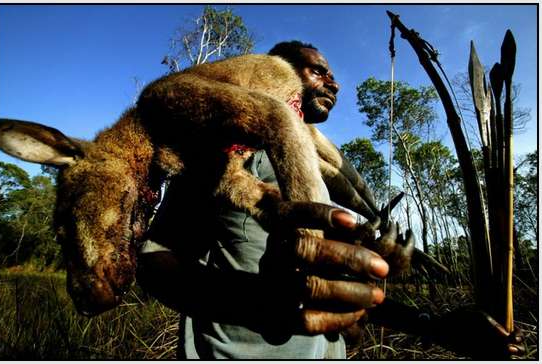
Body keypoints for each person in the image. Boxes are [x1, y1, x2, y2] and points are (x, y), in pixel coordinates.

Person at [136, 41, 524, 359]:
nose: (333, 84)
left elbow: (332, 288)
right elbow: (155, 262)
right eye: (318, 71)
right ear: (277, 71)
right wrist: (252, 300)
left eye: (333, 76)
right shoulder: (229, 148)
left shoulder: (327, 174)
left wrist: (432, 324)